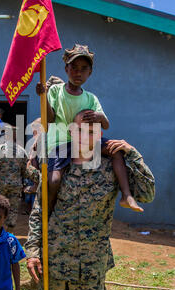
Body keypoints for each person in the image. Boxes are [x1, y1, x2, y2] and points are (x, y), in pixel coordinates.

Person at [25, 109, 155, 290]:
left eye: (93, 129)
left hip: (91, 269)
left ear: (100, 134)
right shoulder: (57, 165)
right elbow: (39, 211)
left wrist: (132, 153)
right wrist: (33, 251)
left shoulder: (113, 166)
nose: (87, 134)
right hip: (53, 264)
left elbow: (146, 195)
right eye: (81, 128)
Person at [36, 43, 143, 213]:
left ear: (90, 73)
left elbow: (106, 125)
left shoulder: (91, 98)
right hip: (61, 142)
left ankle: (126, 195)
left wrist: (99, 117)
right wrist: (44, 98)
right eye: (74, 67)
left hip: (85, 142)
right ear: (66, 69)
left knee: (116, 151)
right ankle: (49, 209)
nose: (78, 72)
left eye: (83, 68)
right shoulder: (56, 91)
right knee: (54, 180)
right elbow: (49, 121)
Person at [0, 124, 39, 231]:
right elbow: (25, 171)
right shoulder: (21, 151)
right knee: (13, 209)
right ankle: (9, 233)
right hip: (16, 185)